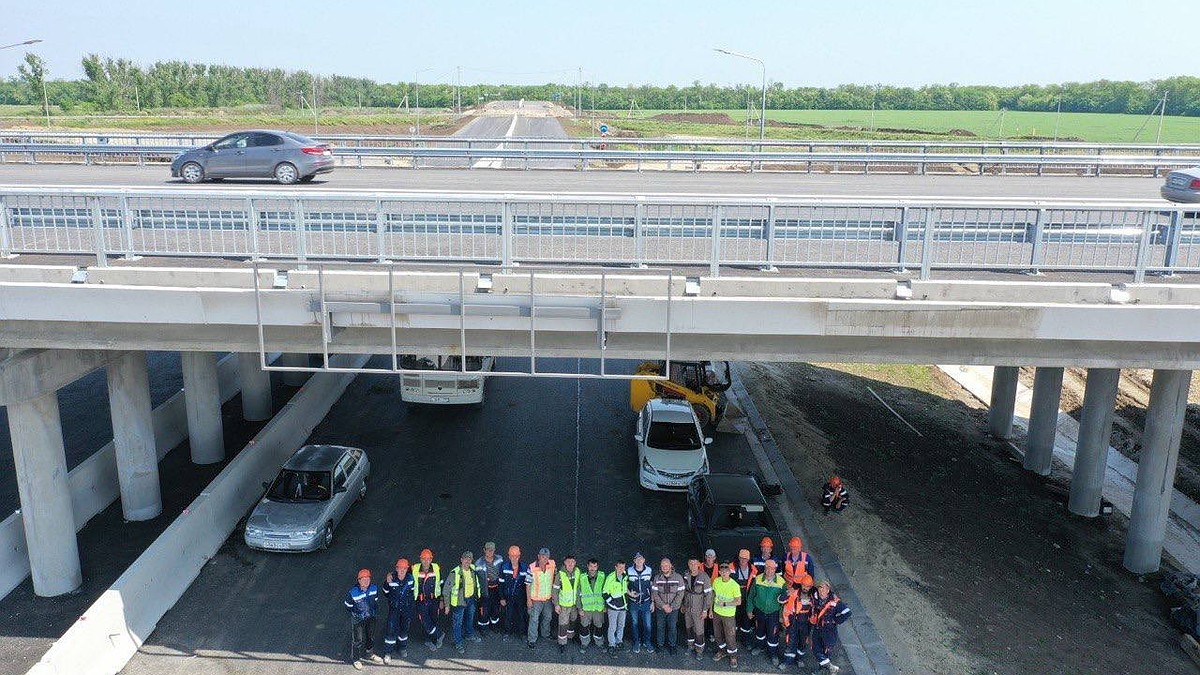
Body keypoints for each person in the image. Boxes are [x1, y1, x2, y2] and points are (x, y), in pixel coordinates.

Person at [443, 551, 483, 653]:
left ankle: (469, 635)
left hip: (471, 600)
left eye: (469, 559)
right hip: (458, 602)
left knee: (470, 619)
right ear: (461, 559)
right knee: (458, 623)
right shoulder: (455, 572)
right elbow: (446, 590)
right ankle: (458, 643)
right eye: (465, 558)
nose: (467, 560)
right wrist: (447, 605)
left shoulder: (473, 569)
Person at [344, 568, 382, 670]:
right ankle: (356, 659)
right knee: (357, 640)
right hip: (358, 619)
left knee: (371, 636)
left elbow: (376, 601)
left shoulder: (374, 588)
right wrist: (357, 614)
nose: (366, 580)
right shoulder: (353, 592)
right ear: (359, 580)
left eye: (368, 578)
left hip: (371, 617)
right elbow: (348, 606)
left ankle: (369, 654)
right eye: (363, 579)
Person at [809, 581, 851, 672]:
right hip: (817, 628)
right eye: (820, 587)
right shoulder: (814, 597)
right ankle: (831, 668)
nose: (821, 590)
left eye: (824, 588)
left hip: (829, 630)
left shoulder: (835, 601)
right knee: (816, 649)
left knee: (826, 651)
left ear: (828, 590)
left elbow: (847, 612)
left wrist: (836, 620)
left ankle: (823, 671)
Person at [748, 559, 786, 658]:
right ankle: (760, 647)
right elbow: (751, 595)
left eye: (772, 568)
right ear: (764, 569)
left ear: (775, 569)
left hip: (773, 613)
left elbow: (784, 602)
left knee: (772, 634)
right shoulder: (758, 579)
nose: (769, 570)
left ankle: (773, 654)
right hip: (759, 611)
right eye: (767, 568)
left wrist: (781, 615)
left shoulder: (781, 582)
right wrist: (749, 609)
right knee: (759, 631)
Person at [380, 558, 415, 663]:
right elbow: (385, 592)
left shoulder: (410, 579)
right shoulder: (391, 579)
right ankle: (388, 652)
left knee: (404, 629)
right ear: (396, 568)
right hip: (394, 609)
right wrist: (387, 582)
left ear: (407, 569)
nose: (402, 570)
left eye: (404, 568)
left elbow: (412, 593)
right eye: (400, 568)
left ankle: (402, 647)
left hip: (406, 609)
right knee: (391, 630)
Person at [779, 574, 815, 670]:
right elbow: (780, 600)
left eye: (807, 586)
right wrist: (787, 593)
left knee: (803, 642)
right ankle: (787, 661)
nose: (805, 588)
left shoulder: (813, 597)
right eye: (803, 585)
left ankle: (799, 659)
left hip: (806, 624)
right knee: (790, 642)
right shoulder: (793, 593)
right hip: (793, 622)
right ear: (801, 584)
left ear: (811, 586)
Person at [711, 562, 743, 669]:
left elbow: (738, 601)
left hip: (728, 615)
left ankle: (733, 656)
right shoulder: (716, 581)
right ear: (719, 572)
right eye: (722, 572)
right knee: (717, 634)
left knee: (730, 636)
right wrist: (711, 610)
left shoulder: (734, 585)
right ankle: (722, 651)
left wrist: (725, 604)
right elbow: (713, 595)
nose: (724, 573)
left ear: (729, 572)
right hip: (716, 613)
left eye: (726, 571)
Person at [651, 557, 685, 655]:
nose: (664, 567)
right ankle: (660, 645)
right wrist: (663, 606)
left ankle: (672, 646)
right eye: (662, 566)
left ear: (671, 566)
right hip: (660, 609)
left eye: (666, 565)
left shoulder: (678, 577)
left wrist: (671, 606)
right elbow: (655, 593)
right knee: (660, 627)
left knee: (672, 627)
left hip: (673, 609)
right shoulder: (657, 578)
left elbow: (681, 593)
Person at [413, 549, 445, 650]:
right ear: (420, 559)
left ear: (431, 559)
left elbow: (441, 584)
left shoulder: (436, 568)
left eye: (428, 559)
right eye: (424, 559)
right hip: (421, 600)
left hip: (434, 599)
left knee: (433, 620)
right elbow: (402, 572)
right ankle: (439, 635)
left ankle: (432, 640)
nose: (426, 561)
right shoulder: (414, 568)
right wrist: (391, 575)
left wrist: (442, 600)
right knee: (425, 621)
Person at [682, 558, 714, 660]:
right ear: (688, 564)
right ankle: (690, 646)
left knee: (699, 630)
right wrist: (683, 604)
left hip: (699, 608)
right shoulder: (686, 575)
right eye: (691, 563)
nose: (693, 566)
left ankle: (699, 650)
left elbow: (709, 594)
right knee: (689, 628)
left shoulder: (704, 576)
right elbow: (683, 591)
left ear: (699, 565)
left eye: (695, 564)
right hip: (687, 608)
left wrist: (705, 610)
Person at [552, 554, 583, 654]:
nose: (570, 564)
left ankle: (570, 637)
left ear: (575, 563)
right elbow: (555, 590)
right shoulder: (560, 574)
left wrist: (579, 605)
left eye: (572, 562)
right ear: (565, 563)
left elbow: (579, 588)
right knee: (563, 624)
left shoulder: (578, 572)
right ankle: (562, 643)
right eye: (568, 562)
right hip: (564, 605)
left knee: (573, 621)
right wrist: (556, 604)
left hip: (574, 604)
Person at [526, 547, 556, 648]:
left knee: (548, 617)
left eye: (547, 557)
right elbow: (528, 584)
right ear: (538, 556)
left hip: (547, 599)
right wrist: (528, 600)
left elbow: (555, 577)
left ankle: (545, 634)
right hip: (535, 600)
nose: (545, 559)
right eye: (543, 557)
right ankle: (532, 639)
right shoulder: (532, 567)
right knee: (534, 619)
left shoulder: (552, 564)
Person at [498, 545, 529, 639]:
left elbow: (527, 584)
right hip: (508, 596)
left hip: (520, 596)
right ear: (509, 556)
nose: (514, 558)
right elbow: (500, 584)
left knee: (521, 615)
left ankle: (522, 633)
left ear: (519, 556)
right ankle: (507, 632)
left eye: (516, 556)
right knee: (508, 614)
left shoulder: (524, 567)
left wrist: (527, 598)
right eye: (512, 556)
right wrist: (502, 598)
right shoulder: (504, 567)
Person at [578, 558, 607, 653]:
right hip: (586, 608)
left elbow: (606, 591)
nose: (593, 568)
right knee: (584, 626)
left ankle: (599, 643)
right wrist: (579, 608)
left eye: (595, 566)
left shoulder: (603, 576)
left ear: (597, 567)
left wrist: (606, 605)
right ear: (587, 566)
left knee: (599, 626)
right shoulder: (582, 577)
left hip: (599, 608)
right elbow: (578, 593)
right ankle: (584, 643)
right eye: (591, 566)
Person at [627, 551, 654, 653]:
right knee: (634, 624)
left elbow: (652, 587)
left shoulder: (649, 570)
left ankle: (647, 642)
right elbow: (623, 585)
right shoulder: (629, 570)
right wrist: (629, 593)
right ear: (634, 561)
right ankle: (636, 642)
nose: (639, 560)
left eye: (640, 559)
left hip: (646, 602)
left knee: (648, 624)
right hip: (633, 602)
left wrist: (653, 601)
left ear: (644, 560)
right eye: (636, 559)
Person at [474, 542, 504, 634]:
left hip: (496, 589)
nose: (490, 552)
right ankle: (483, 628)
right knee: (484, 610)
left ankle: (494, 626)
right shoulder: (478, 563)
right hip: (485, 590)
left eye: (492, 550)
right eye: (488, 550)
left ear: (494, 550)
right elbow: (475, 579)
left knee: (495, 609)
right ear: (484, 550)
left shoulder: (500, 559)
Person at [602, 560, 630, 657]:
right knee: (612, 627)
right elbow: (604, 593)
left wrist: (631, 594)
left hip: (623, 607)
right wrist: (612, 603)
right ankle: (611, 645)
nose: (622, 569)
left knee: (621, 625)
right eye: (620, 567)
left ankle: (619, 642)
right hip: (613, 608)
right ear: (615, 567)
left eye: (623, 567)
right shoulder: (610, 577)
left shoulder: (626, 576)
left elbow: (625, 590)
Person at [732, 549, 757, 641]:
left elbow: (754, 585)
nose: (743, 560)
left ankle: (745, 639)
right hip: (735, 597)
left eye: (745, 559)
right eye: (741, 558)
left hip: (747, 597)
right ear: (738, 558)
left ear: (748, 559)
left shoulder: (753, 569)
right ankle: (733, 639)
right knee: (734, 617)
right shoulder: (732, 567)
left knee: (746, 618)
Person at [700, 549, 720, 647]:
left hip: (713, 594)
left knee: (712, 615)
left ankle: (711, 633)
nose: (709, 559)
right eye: (708, 556)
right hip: (701, 594)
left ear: (714, 558)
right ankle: (701, 633)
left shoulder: (718, 567)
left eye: (711, 557)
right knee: (702, 614)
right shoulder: (699, 566)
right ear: (705, 557)